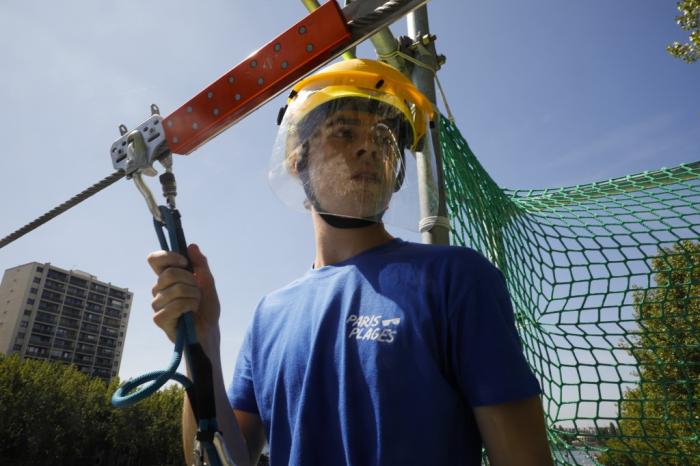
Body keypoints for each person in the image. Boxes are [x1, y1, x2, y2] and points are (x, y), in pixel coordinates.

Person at [148, 59, 553, 466]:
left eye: (385, 138)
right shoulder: (269, 314)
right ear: (297, 161)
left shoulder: (457, 279)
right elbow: (220, 460)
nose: (370, 147)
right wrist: (199, 343)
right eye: (344, 132)